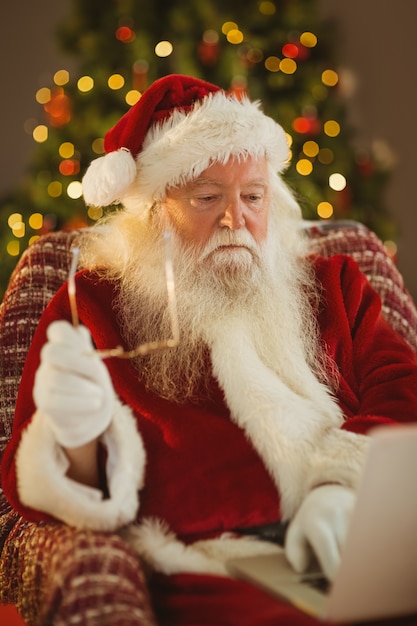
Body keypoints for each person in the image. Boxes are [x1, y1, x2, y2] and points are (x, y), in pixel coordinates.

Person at [2, 73, 417, 626]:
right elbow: (34, 497)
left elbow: (404, 391)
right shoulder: (89, 305)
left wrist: (343, 487)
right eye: (206, 198)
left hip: (358, 535)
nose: (235, 219)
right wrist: (75, 439)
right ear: (155, 213)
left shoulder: (335, 284)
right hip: (209, 565)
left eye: (252, 197)